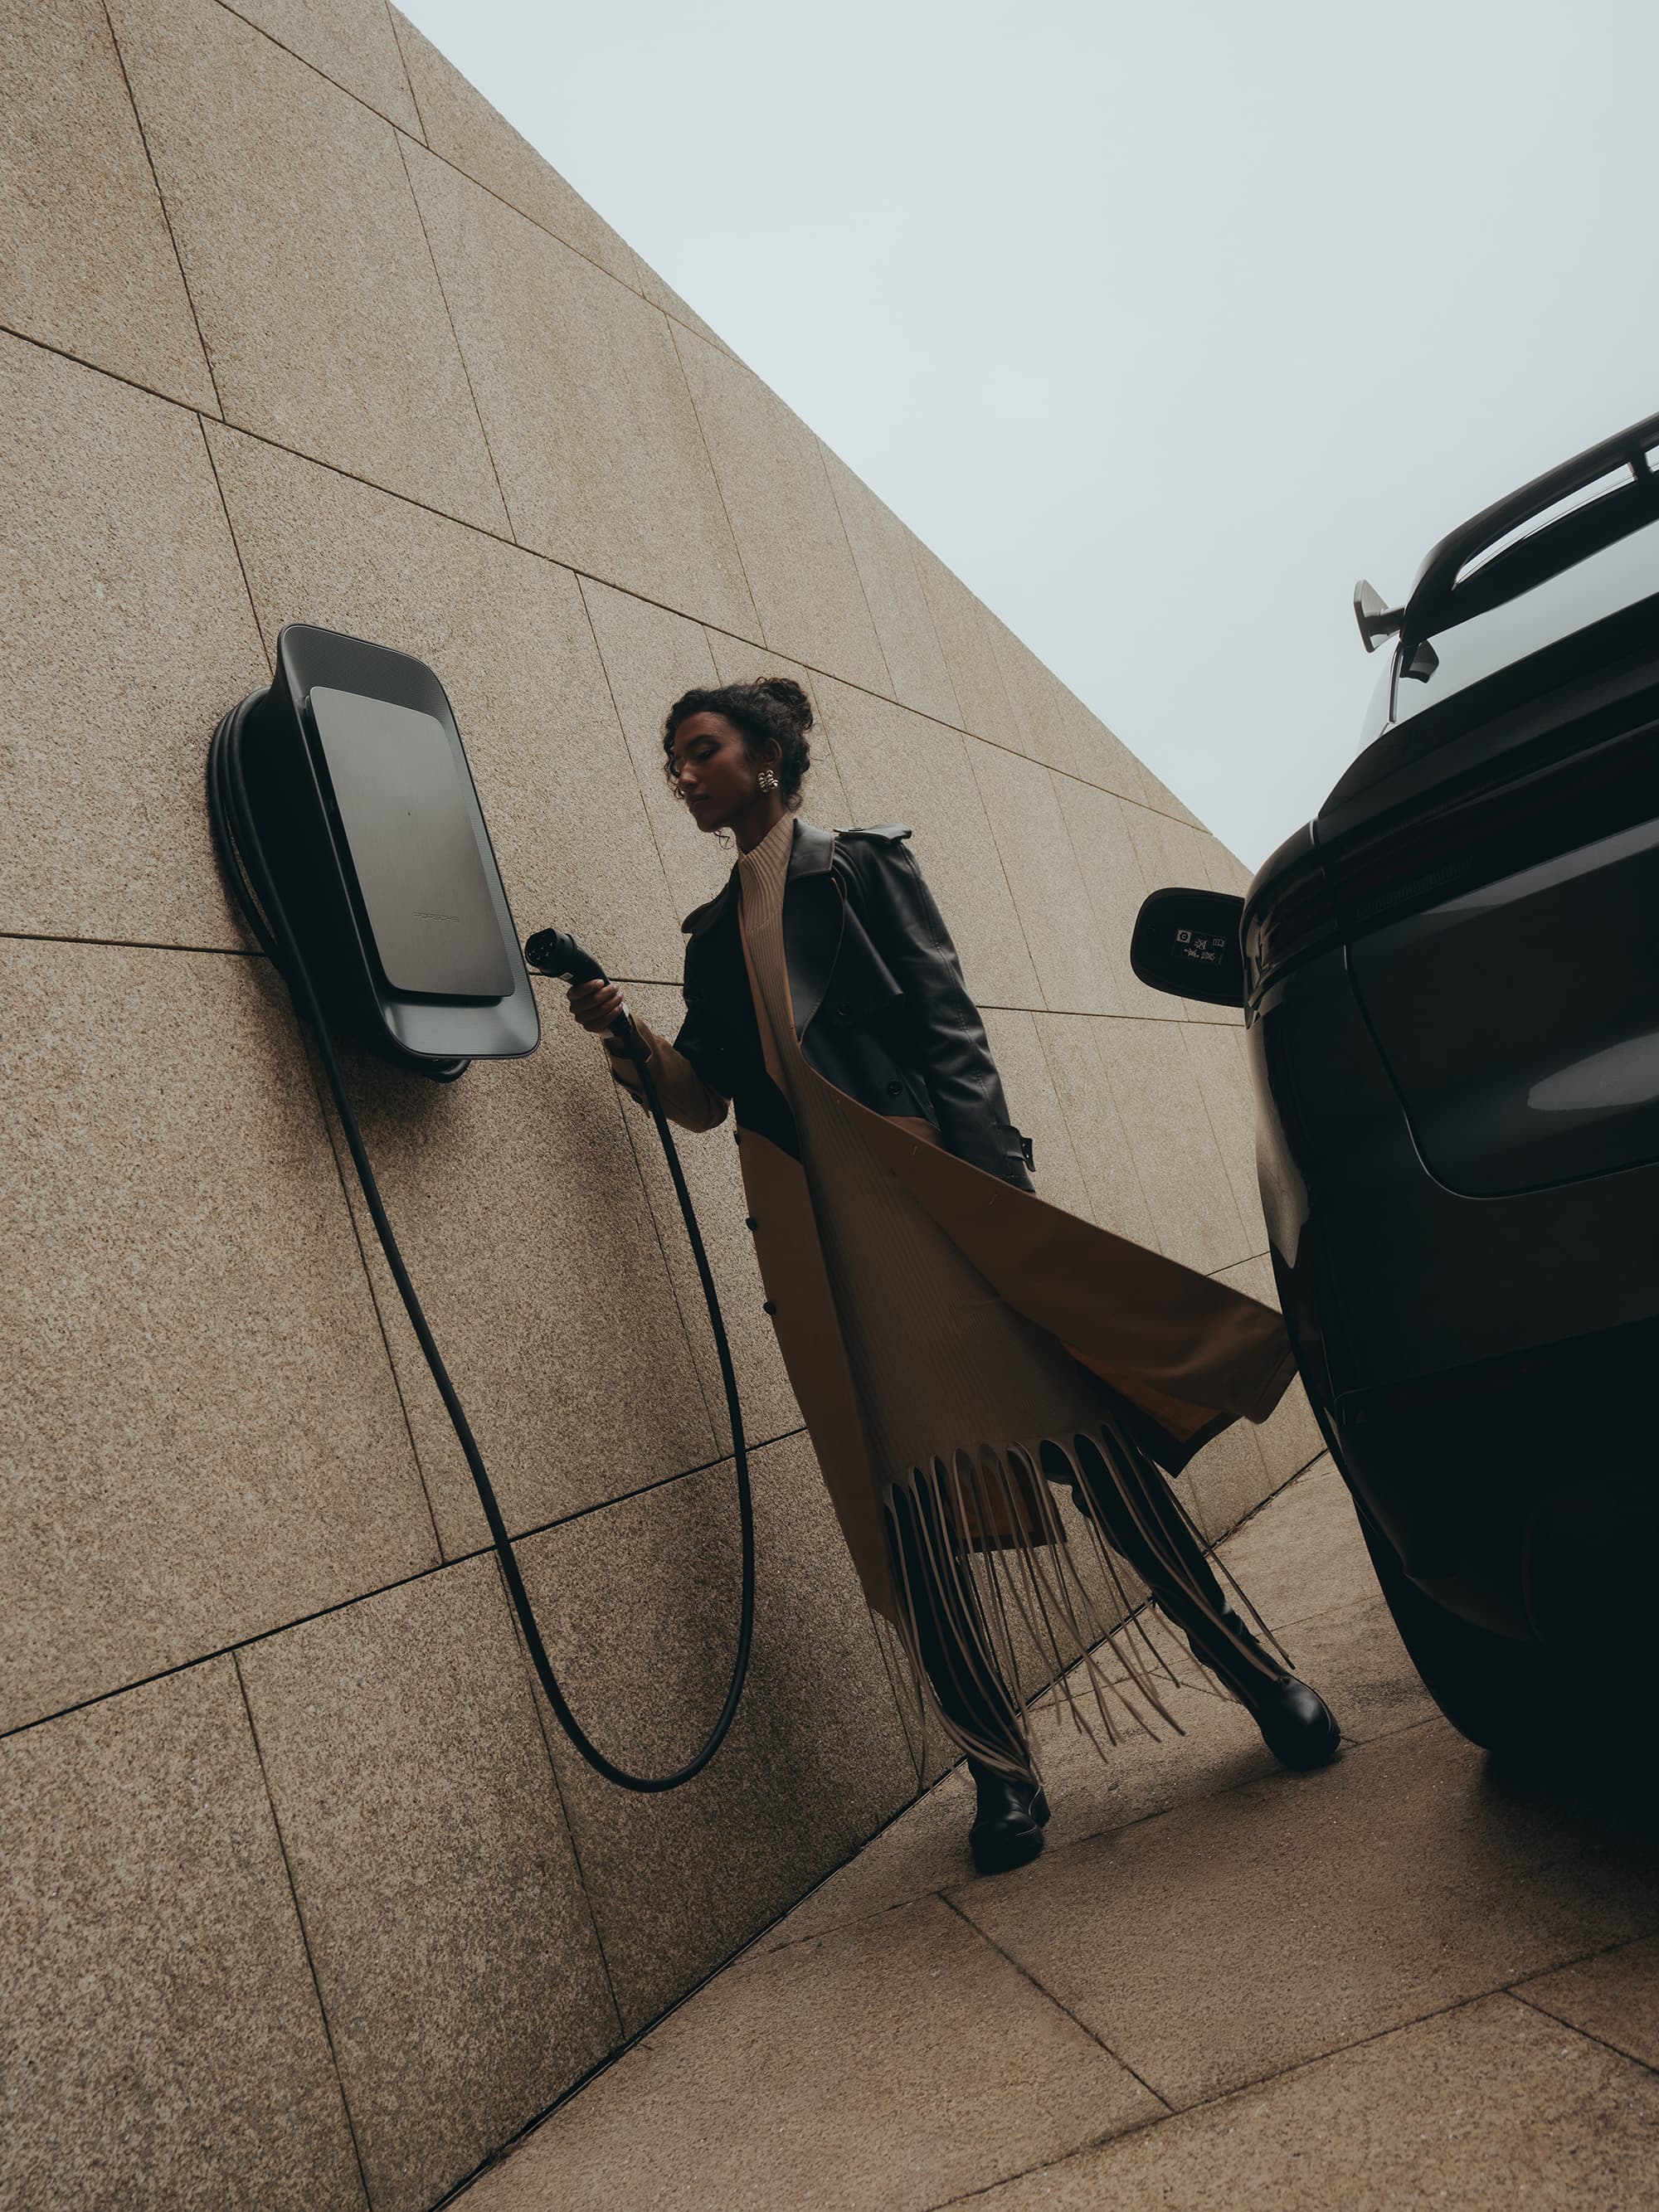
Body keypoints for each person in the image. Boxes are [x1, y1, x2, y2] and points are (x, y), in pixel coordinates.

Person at [566, 677, 1339, 1874]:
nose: (684, 775)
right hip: (828, 1263)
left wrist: (1002, 1209)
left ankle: (1252, 1670)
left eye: (701, 750)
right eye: (672, 762)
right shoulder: (712, 939)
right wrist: (624, 1033)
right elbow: (706, 1102)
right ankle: (1001, 1771)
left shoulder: (862, 870)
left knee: (1085, 1449)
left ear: (767, 757)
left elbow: (949, 1031)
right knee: (908, 1507)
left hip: (934, 1217)